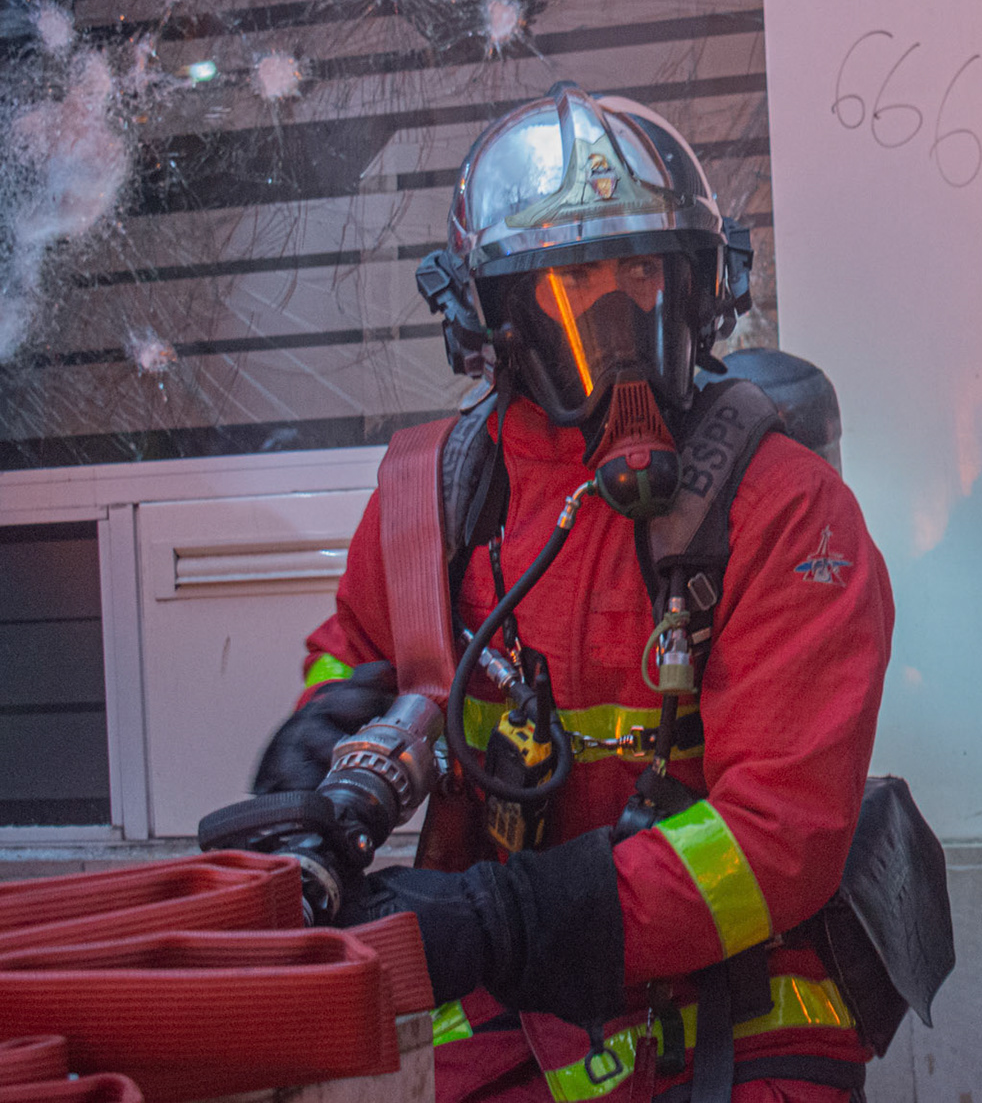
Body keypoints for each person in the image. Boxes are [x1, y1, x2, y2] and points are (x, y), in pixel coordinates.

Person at [254, 83, 893, 1103]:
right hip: (508, 1015)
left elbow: (777, 838)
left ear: (697, 285)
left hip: (734, 1017)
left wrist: (506, 922)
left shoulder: (784, 505)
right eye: (573, 277)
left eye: (641, 269)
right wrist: (322, 739)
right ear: (493, 314)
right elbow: (360, 650)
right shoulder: (430, 496)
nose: (615, 311)